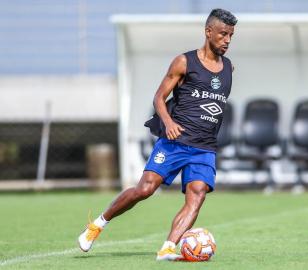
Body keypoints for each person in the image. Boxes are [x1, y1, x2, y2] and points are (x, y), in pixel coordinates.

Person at [78, 8, 237, 261]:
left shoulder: (229, 67)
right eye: (223, 34)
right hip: (175, 142)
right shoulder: (184, 62)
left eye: (230, 35)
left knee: (197, 196)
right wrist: (168, 122)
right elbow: (159, 98)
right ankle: (98, 224)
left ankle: (168, 248)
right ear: (208, 32)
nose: (227, 40)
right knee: (145, 189)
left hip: (205, 147)